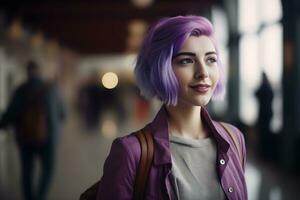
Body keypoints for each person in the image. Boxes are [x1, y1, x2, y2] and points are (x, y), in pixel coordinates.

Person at [96, 16, 247, 200]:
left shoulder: (233, 139)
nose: (203, 72)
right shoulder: (131, 152)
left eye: (211, 59)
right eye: (186, 61)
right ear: (161, 69)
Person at [0, 60, 66, 200]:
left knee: (27, 172)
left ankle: (29, 198)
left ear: (27, 72)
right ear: (39, 71)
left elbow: (12, 113)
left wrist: (3, 123)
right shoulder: (51, 89)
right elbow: (63, 113)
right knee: (48, 170)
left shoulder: (21, 90)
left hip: (26, 138)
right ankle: (41, 196)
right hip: (48, 139)